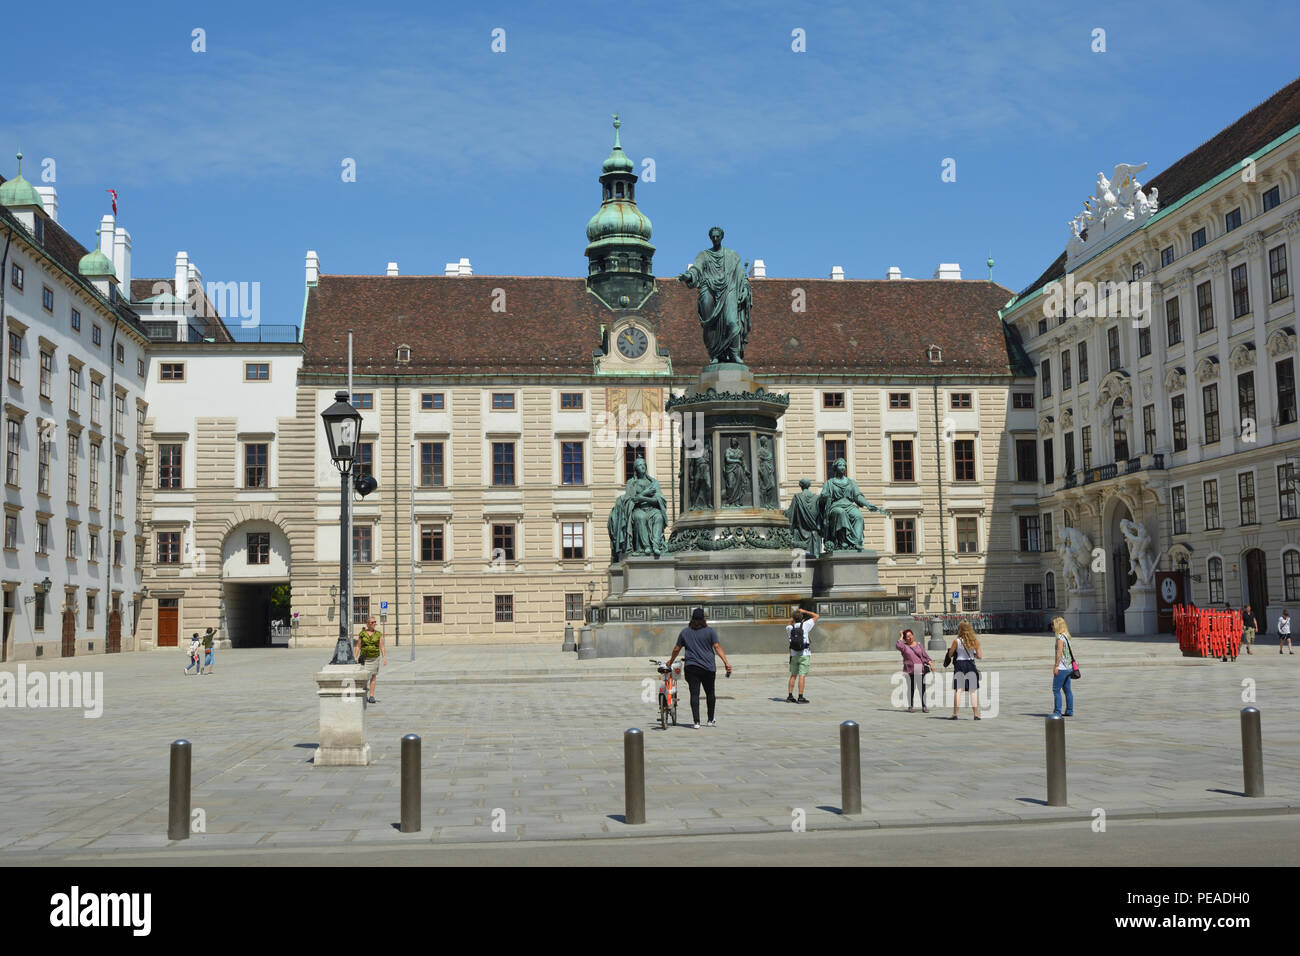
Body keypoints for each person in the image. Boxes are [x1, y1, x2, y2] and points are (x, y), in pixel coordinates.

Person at [666, 608, 732, 728]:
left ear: (692, 618)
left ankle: (696, 722)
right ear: (703, 619)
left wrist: (670, 661)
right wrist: (726, 663)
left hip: (692, 667)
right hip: (708, 667)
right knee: (710, 693)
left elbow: (676, 649)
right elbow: (717, 647)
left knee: (694, 694)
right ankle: (710, 720)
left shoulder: (685, 632)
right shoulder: (710, 631)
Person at [947, 620, 982, 719]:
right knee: (973, 691)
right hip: (970, 664)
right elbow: (979, 656)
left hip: (960, 664)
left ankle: (955, 714)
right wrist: (973, 654)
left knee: (958, 690)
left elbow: (950, 654)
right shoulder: (975, 641)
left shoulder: (957, 641)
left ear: (960, 629)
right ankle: (975, 714)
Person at [785, 605, 820, 703]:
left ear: (793, 618)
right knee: (802, 675)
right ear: (802, 618)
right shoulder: (806, 625)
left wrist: (794, 617)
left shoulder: (789, 628)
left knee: (793, 675)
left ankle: (790, 696)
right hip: (804, 654)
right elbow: (816, 616)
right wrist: (804, 611)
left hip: (793, 654)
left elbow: (789, 623)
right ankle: (800, 697)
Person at [896, 628, 932, 713]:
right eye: (907, 637)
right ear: (905, 639)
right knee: (911, 688)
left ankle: (924, 706)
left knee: (922, 689)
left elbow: (925, 655)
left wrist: (930, 663)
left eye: (911, 635)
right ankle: (910, 706)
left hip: (919, 668)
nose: (910, 638)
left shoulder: (919, 645)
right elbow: (898, 646)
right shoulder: (904, 647)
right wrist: (901, 637)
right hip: (909, 670)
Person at [354, 616, 386, 703]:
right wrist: (355, 657)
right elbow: (358, 646)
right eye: (372, 622)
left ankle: (371, 696)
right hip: (364, 658)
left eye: (375, 622)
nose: (374, 623)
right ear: (367, 624)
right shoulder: (362, 634)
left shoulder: (378, 634)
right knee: (363, 677)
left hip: (374, 658)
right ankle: (363, 694)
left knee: (373, 677)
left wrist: (384, 658)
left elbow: (382, 646)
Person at [1050, 616, 1075, 718]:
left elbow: (1059, 653)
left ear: (1057, 625)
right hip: (1069, 667)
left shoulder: (1060, 637)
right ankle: (1069, 710)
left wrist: (1056, 666)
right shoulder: (1066, 636)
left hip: (1062, 668)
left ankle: (1057, 712)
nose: (1052, 627)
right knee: (1067, 690)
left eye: (1053, 624)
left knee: (1056, 690)